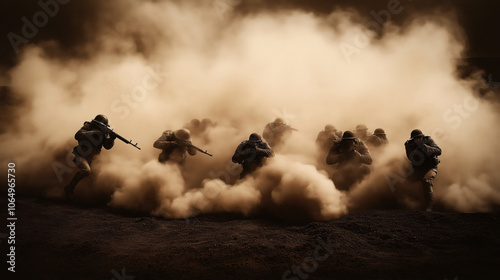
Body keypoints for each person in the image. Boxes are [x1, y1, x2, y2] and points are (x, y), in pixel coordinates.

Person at [64, 114, 116, 198]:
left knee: (100, 176)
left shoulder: (104, 133)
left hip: (93, 159)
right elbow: (77, 135)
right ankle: (69, 188)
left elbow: (107, 146)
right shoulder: (88, 126)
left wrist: (111, 139)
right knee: (86, 170)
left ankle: (95, 195)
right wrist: (95, 133)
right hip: (80, 155)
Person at [405, 129, 442, 211]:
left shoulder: (428, 140)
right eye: (416, 138)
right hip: (418, 169)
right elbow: (412, 158)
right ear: (412, 139)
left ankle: (429, 206)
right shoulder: (409, 144)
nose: (418, 140)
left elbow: (438, 151)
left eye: (420, 137)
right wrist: (419, 148)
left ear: (422, 137)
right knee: (405, 182)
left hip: (431, 167)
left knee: (426, 180)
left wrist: (424, 147)